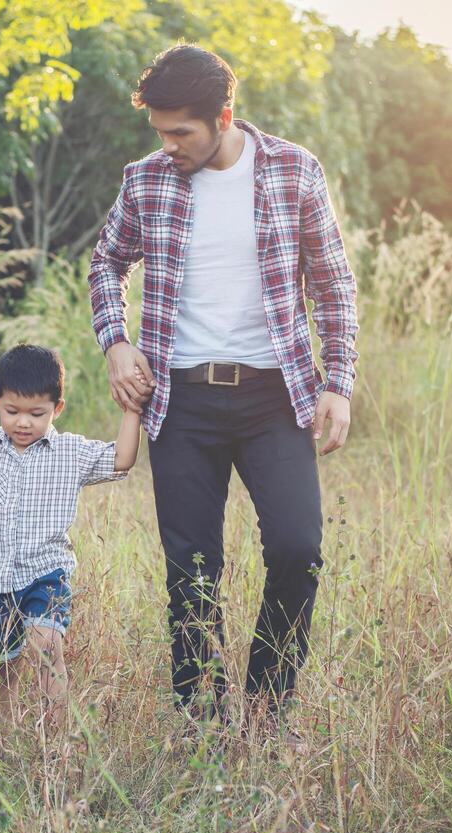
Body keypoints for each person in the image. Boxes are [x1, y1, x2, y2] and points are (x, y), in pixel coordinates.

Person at [87, 45, 361, 750]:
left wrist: (338, 382)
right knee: (191, 569)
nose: (167, 145)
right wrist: (116, 341)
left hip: (275, 399)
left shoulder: (293, 170)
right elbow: (105, 260)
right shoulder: (144, 181)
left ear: (223, 117)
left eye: (180, 132)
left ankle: (268, 712)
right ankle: (203, 724)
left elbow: (332, 282)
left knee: (298, 550)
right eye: (158, 131)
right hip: (181, 403)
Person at [0, 345, 141, 730]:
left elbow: (122, 459)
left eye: (36, 414)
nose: (22, 423)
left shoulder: (70, 452)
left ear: (57, 409)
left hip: (46, 573)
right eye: (12, 411)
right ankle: (7, 731)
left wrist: (132, 409)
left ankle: (57, 740)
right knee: (4, 668)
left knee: (47, 646)